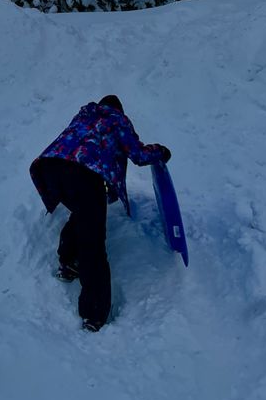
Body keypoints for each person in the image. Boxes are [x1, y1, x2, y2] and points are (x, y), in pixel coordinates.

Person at [29, 95, 171, 332]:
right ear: (118, 109)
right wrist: (161, 151)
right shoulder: (117, 119)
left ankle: (68, 262)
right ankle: (94, 314)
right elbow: (138, 154)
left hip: (50, 168)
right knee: (92, 243)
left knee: (84, 215)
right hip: (83, 173)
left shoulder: (85, 114)